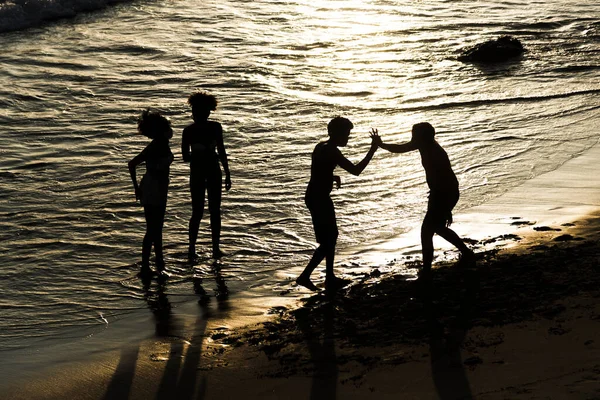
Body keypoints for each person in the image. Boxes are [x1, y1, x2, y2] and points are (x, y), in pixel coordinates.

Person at [377, 122, 474, 280]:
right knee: (438, 228)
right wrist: (381, 144)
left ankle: (428, 270)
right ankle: (466, 252)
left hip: (444, 192)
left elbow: (443, 179)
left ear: (422, 137)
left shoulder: (434, 151)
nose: (412, 137)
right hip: (441, 192)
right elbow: (401, 148)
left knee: (427, 231)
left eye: (414, 134)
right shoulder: (425, 145)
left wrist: (445, 207)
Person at [296, 116, 380, 292]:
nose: (347, 138)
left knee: (330, 237)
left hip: (314, 196)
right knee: (328, 241)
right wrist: (373, 149)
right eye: (346, 134)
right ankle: (306, 276)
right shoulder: (333, 151)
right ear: (336, 133)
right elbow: (356, 170)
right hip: (319, 199)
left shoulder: (321, 147)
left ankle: (329, 277)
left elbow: (318, 171)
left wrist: (332, 176)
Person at [182, 91, 231, 260]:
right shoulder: (215, 127)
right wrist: (227, 173)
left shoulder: (188, 131)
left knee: (198, 211)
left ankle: (192, 249)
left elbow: (185, 157)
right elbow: (222, 151)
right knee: (213, 211)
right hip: (212, 170)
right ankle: (215, 249)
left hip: (198, 172)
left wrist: (198, 152)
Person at [128, 109, 174, 274]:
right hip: (152, 187)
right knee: (153, 229)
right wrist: (137, 189)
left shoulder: (162, 143)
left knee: (157, 228)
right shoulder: (155, 146)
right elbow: (132, 164)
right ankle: (146, 265)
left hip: (160, 187)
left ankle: (159, 262)